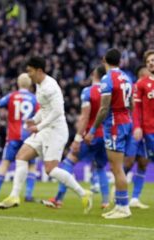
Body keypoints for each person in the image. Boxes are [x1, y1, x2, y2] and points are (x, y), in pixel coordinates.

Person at [0, 57, 93, 214]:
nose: (28, 74)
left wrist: (38, 126)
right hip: (45, 129)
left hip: (56, 131)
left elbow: (57, 112)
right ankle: (14, 196)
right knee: (21, 156)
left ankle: (83, 193)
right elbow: (45, 109)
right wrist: (33, 119)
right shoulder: (39, 85)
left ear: (39, 71)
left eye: (30, 71)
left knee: (50, 170)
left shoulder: (50, 87)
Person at [42, 65, 109, 209]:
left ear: (93, 74)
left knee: (69, 162)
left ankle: (58, 199)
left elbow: (85, 117)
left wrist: (78, 139)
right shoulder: (107, 90)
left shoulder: (88, 91)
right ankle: (106, 202)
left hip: (89, 135)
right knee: (101, 167)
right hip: (105, 134)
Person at [85, 48, 133, 219]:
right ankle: (120, 205)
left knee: (116, 168)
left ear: (104, 59)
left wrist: (92, 130)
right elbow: (131, 104)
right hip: (126, 121)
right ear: (119, 61)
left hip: (114, 124)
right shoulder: (127, 77)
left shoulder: (107, 79)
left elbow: (104, 108)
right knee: (115, 167)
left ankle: (124, 207)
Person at [0, 73, 39, 202]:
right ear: (30, 84)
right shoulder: (34, 99)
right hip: (29, 137)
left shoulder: (12, 96)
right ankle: (28, 195)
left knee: (5, 164)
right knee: (31, 166)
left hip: (13, 136)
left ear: (18, 83)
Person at [124, 50, 154, 209]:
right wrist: (137, 127)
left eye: (153, 60)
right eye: (148, 61)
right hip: (144, 131)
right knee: (129, 161)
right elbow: (136, 109)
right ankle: (120, 189)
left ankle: (134, 198)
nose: (151, 63)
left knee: (143, 163)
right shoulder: (141, 84)